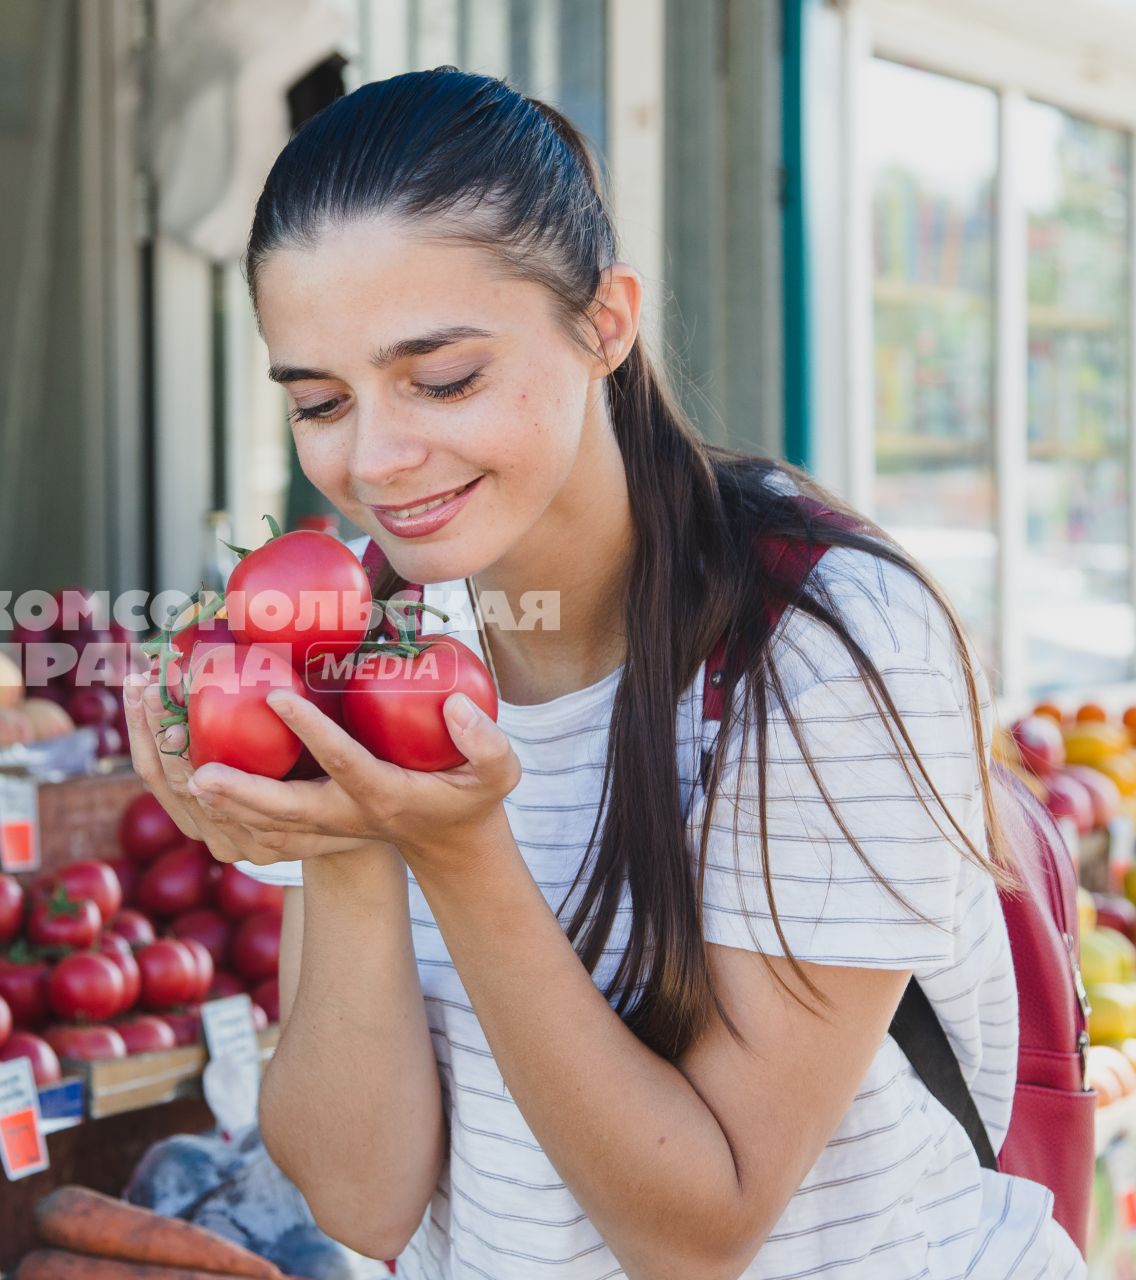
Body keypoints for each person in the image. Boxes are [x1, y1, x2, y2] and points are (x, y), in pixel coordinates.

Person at [121, 69, 1083, 1280]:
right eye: (320, 400)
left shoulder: (828, 645)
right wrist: (347, 833)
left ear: (606, 322)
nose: (375, 458)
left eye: (444, 378)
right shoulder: (364, 632)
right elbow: (362, 1201)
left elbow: (698, 1231)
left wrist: (462, 851)